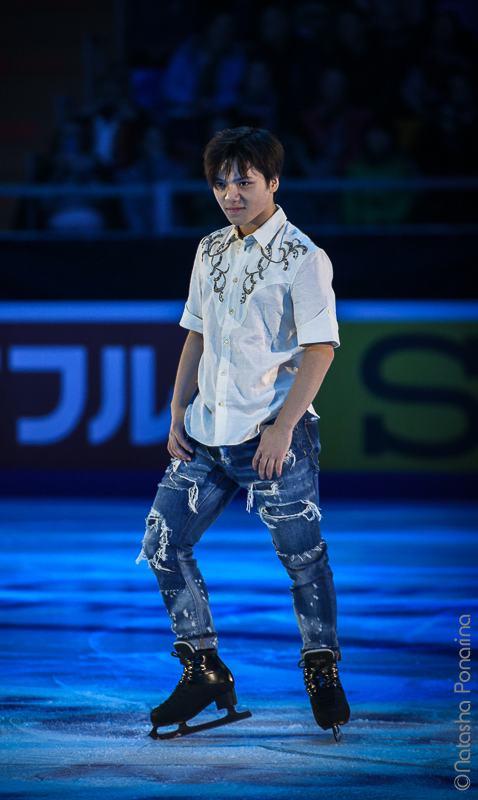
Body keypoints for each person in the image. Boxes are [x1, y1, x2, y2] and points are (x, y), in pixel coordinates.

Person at [137, 127, 350, 741]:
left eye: (244, 181)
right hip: (207, 435)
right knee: (161, 543)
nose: (231, 193)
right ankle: (204, 669)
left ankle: (321, 667)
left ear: (273, 182)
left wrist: (284, 430)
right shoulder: (208, 249)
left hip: (270, 437)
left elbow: (321, 348)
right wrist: (177, 412)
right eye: (221, 181)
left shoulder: (304, 257)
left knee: (303, 560)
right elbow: (195, 335)